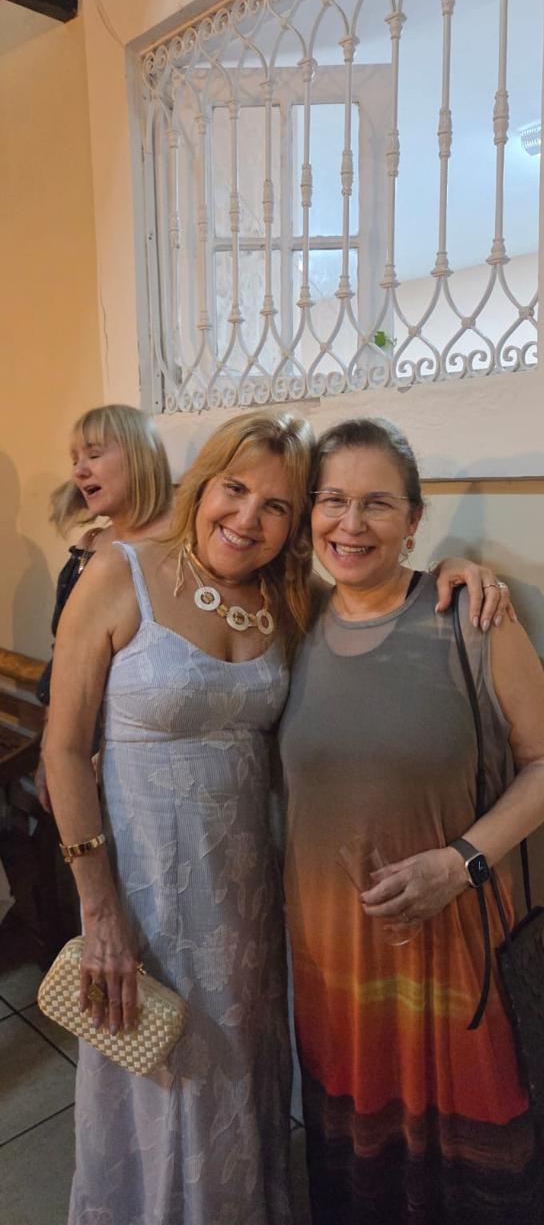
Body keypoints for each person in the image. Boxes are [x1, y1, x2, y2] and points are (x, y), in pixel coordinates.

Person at [43, 409, 513, 1225]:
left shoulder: (287, 602)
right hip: (144, 900)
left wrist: (456, 568)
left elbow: (375, 591)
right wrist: (100, 913)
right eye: (233, 490)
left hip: (250, 907)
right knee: (153, 1078)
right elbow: (61, 749)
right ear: (201, 486)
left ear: (295, 527)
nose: (246, 518)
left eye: (276, 507)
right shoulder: (120, 573)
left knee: (241, 1083)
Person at [279, 417, 544, 1225]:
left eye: (377, 503)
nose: (350, 523)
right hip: (331, 959)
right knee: (359, 1164)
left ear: (413, 518)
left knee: (473, 1169)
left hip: (453, 955)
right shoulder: (291, 624)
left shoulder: (468, 618)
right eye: (331, 500)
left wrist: (459, 862)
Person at [35, 404, 172, 811]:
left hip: (150, 769)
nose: (79, 471)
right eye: (75, 460)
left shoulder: (180, 547)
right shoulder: (88, 548)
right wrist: (50, 752)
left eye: (94, 455)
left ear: (140, 455)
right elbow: (63, 661)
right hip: (80, 754)